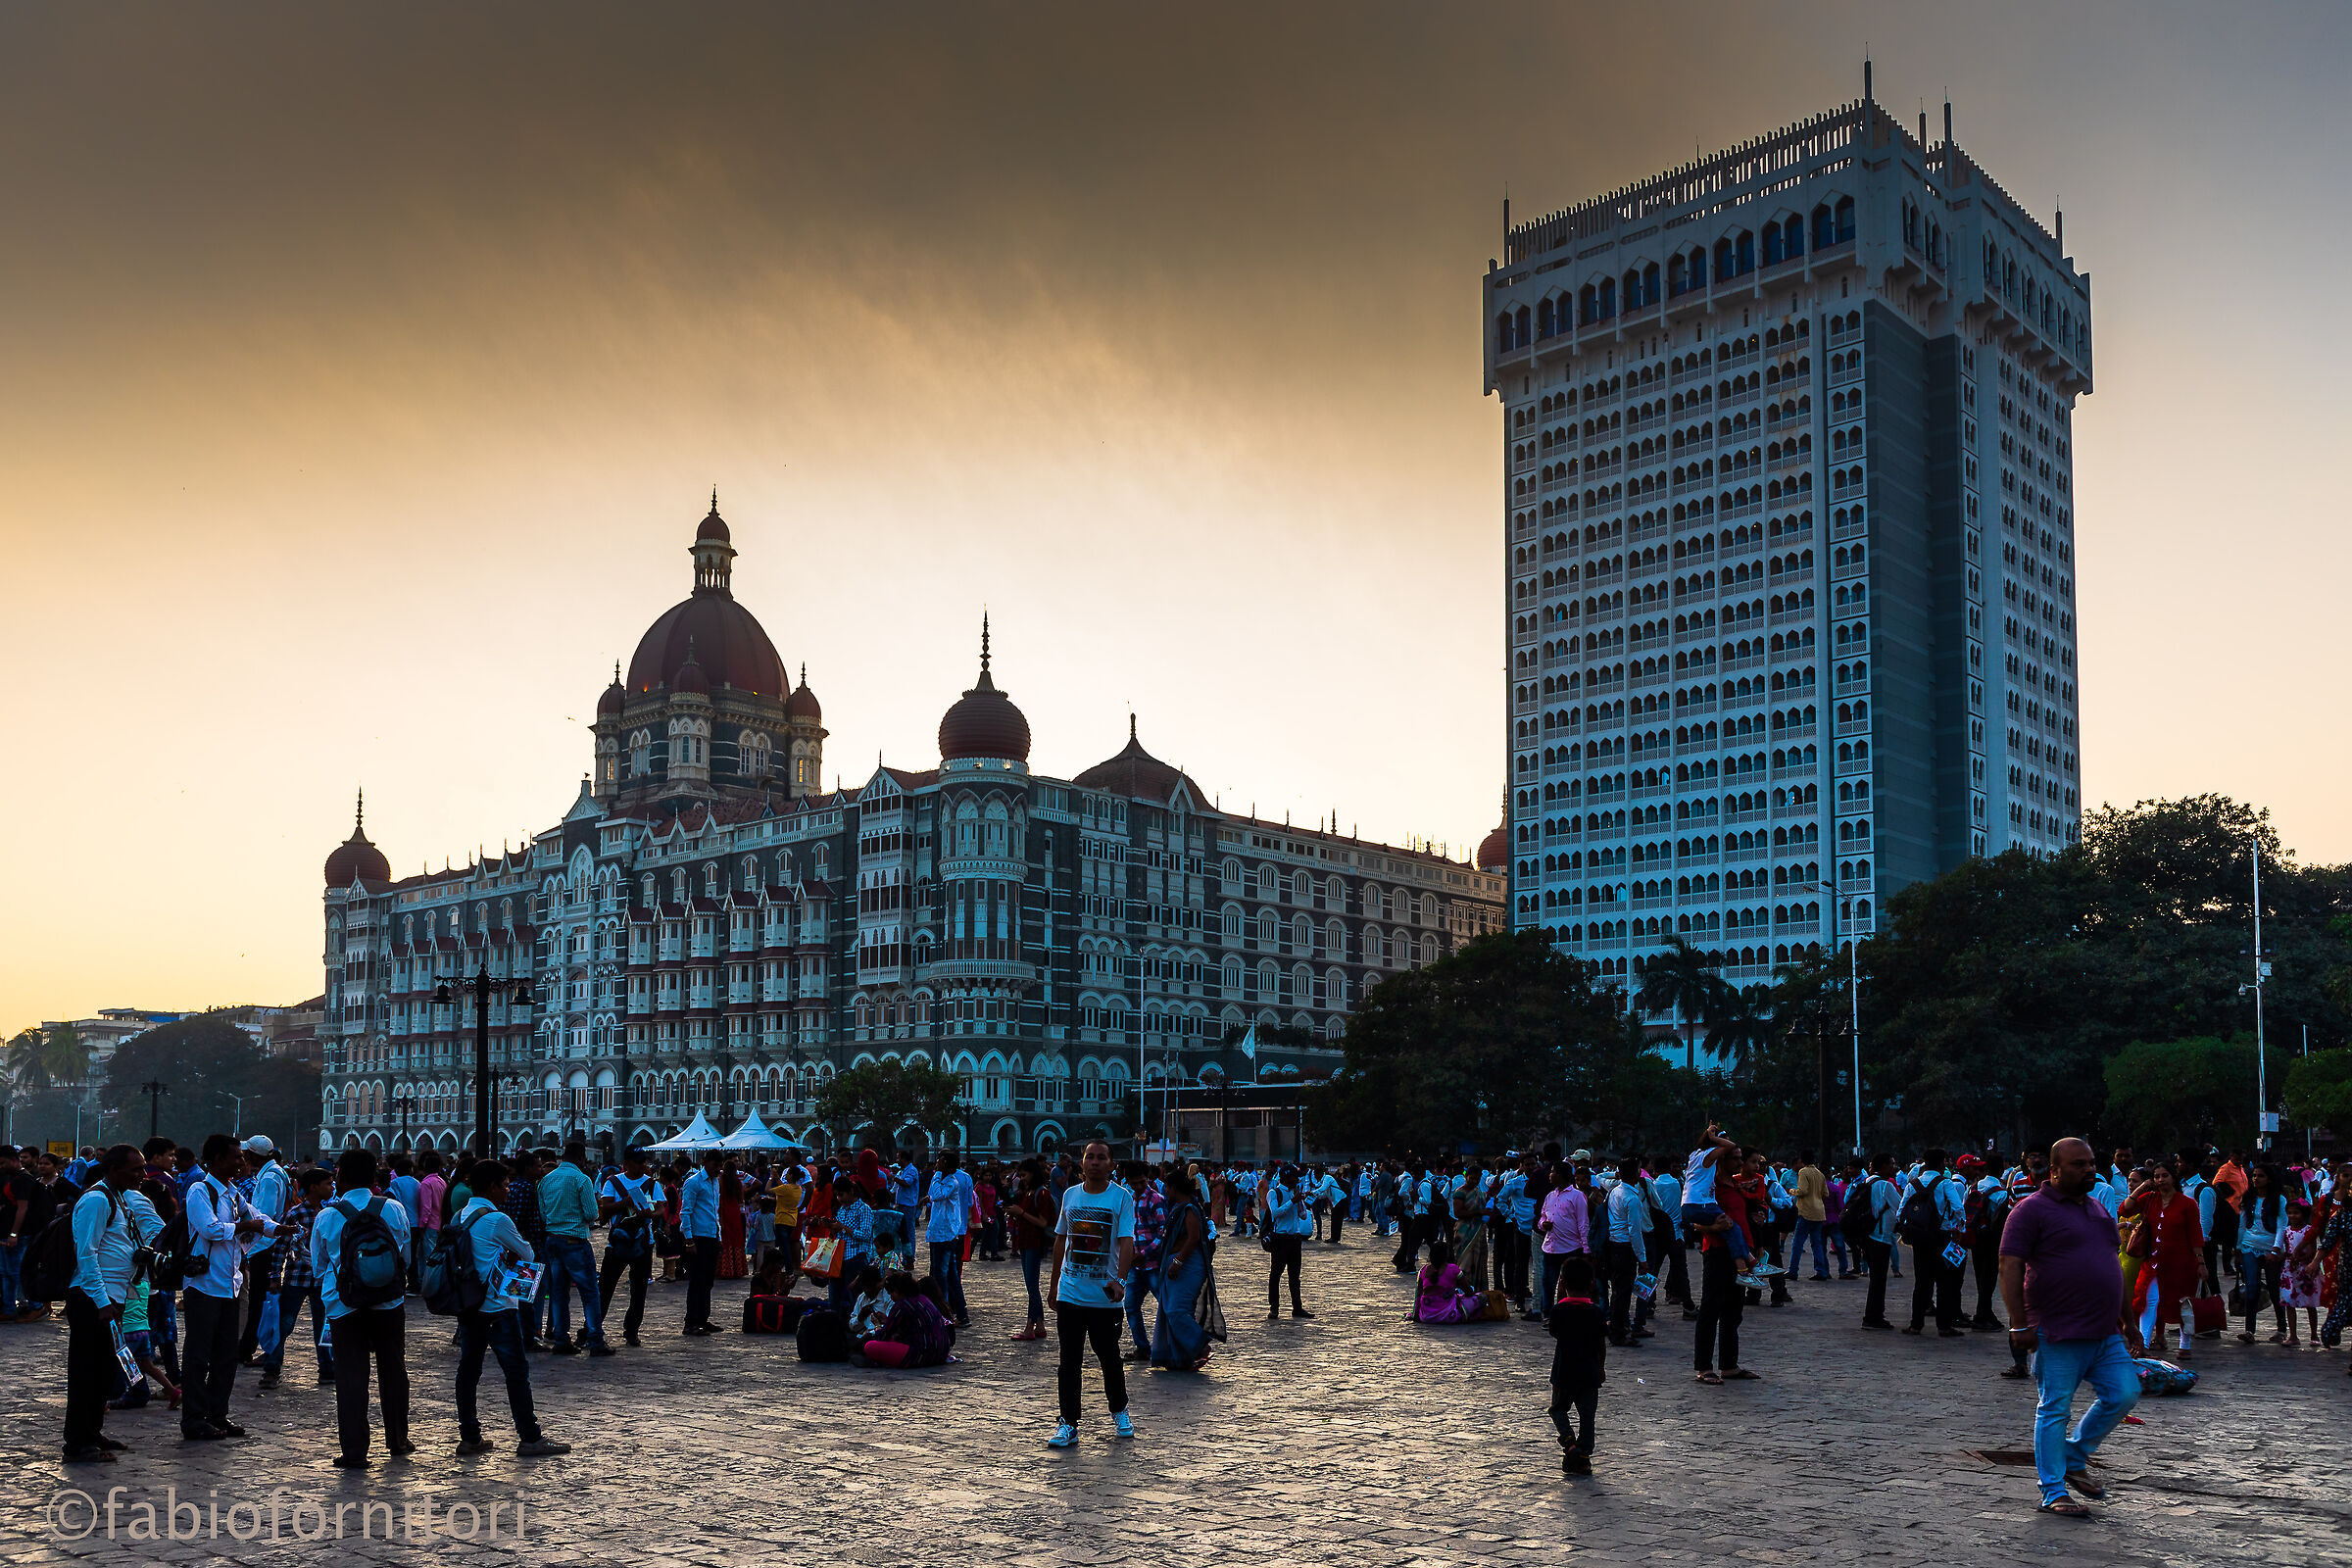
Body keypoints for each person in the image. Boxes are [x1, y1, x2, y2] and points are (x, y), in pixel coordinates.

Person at [1999, 1137, 2141, 1519]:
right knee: (2055, 1408)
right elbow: (2009, 1266)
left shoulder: (2097, 1209)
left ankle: (2075, 1456)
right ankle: (2053, 1489)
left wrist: (2129, 1320)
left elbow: (2113, 1266)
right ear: (2055, 1170)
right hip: (2057, 1329)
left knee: (2125, 1393)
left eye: (2091, 1163)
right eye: (2079, 1164)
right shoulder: (2031, 1210)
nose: (2089, 1169)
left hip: (2104, 1330)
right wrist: (2019, 1324)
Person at [448, 1161, 568, 1457]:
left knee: (468, 1370)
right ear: (491, 1187)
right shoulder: (497, 1219)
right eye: (504, 1184)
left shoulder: (460, 1215)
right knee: (516, 1372)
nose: (508, 1189)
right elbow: (527, 1251)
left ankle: (470, 1435)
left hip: (469, 1306)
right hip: (497, 1307)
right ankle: (530, 1436)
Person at [312, 1148, 414, 1468]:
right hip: (389, 1302)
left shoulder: (327, 1215)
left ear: (340, 1175)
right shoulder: (394, 1209)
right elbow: (405, 1258)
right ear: (375, 1176)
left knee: (351, 1375)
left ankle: (355, 1450)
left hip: (345, 1306)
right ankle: (397, 1439)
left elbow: (319, 1267)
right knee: (393, 1370)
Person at [182, 1132, 277, 1442]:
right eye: (237, 1156)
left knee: (226, 1355)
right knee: (198, 1356)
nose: (242, 1161)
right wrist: (245, 1227)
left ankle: (217, 1415)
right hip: (203, 1284)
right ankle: (194, 1419)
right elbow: (209, 1228)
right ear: (217, 1160)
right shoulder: (200, 1190)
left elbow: (258, 1217)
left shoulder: (234, 1194)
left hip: (229, 1283)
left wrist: (281, 1229)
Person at [1043, 1140, 1137, 1446]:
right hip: (1071, 1292)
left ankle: (1119, 1409)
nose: (1094, 1162)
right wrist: (1054, 1284)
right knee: (1068, 1361)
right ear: (1081, 1163)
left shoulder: (1120, 1198)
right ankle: (1068, 1422)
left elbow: (1126, 1243)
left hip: (1104, 1296)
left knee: (1109, 1358)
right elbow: (1061, 1241)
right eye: (1089, 1157)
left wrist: (1120, 1281)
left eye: (1101, 1157)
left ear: (1111, 1164)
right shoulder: (1070, 1195)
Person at [61, 1145, 145, 1462]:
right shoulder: (97, 1200)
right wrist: (100, 1301)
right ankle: (77, 1442)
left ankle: (92, 1431)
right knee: (85, 1371)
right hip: (92, 1299)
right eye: (135, 1169)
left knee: (103, 1371)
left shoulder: (119, 1197)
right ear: (113, 1169)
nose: (141, 1175)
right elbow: (87, 1254)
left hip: (113, 1296)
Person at [2120, 1162, 2207, 1360]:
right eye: (2157, 1176)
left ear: (2173, 1178)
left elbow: (2195, 1234)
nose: (2160, 1180)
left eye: (2164, 1175)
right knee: (2148, 1301)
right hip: (2153, 1262)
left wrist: (2201, 1262)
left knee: (2185, 1303)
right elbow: (2125, 1209)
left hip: (2181, 1263)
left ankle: (2185, 1345)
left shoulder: (2187, 1204)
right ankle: (2140, 1342)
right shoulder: (2150, 1199)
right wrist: (2142, 1187)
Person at [260, 1166, 336, 1390]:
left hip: (321, 1280)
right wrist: (275, 1276)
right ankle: (272, 1368)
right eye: (327, 1184)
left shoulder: (329, 1212)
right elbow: (280, 1248)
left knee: (324, 1327)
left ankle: (327, 1368)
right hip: (297, 1278)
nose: (331, 1188)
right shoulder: (295, 1214)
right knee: (283, 1326)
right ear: (313, 1187)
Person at [538, 1143, 612, 1356]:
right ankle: (595, 1339)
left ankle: (561, 1338)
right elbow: (591, 1214)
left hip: (553, 1239)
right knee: (589, 1292)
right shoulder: (582, 1179)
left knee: (559, 1293)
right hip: (575, 1241)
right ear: (581, 1158)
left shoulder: (546, 1180)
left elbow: (544, 1215)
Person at [1152, 1167, 1218, 1371]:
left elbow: (1193, 1238)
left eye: (1167, 1188)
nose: (1166, 1191)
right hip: (1177, 1263)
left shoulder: (1189, 1208)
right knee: (1170, 1310)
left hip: (1187, 1264)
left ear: (1173, 1188)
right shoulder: (1180, 1206)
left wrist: (1178, 1261)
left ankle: (1200, 1346)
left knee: (1176, 1311)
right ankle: (1182, 1359)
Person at [1546, 1253, 1607, 1475]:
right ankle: (1583, 1455)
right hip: (1589, 1373)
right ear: (1591, 1284)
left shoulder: (1558, 1311)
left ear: (1562, 1284)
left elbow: (1555, 1333)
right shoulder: (1596, 1312)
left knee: (1558, 1409)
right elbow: (1601, 1344)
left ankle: (1570, 1444)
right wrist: (1601, 1367)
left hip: (1563, 1372)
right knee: (1587, 1416)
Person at [234, 1136, 293, 1366]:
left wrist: (250, 1248)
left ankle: (249, 1347)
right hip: (268, 1242)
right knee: (262, 1298)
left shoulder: (269, 1178)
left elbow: (264, 1216)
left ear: (253, 1155)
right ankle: (253, 1346)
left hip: (265, 1244)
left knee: (260, 1299)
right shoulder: (275, 1172)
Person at [598, 1145, 662, 1347]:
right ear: (626, 1164)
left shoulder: (651, 1184)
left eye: (644, 1161)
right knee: (605, 1288)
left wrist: (650, 1214)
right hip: (617, 1241)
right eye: (638, 1162)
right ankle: (594, 1327)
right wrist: (626, 1202)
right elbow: (604, 1207)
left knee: (639, 1289)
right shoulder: (613, 1182)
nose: (643, 1165)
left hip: (643, 1241)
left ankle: (632, 1329)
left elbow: (661, 1209)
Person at [1900, 1150, 1968, 1338]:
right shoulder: (1945, 1183)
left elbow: (1901, 1212)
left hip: (1920, 1239)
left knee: (1922, 1283)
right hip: (1942, 1237)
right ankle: (1944, 1326)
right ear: (1942, 1164)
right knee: (1945, 1283)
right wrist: (1958, 1229)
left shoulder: (1912, 1184)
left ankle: (1916, 1325)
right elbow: (1958, 1208)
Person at [921, 1149, 977, 1328]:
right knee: (951, 1275)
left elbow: (937, 1194)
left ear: (944, 1162)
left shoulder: (951, 1181)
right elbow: (935, 1194)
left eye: (939, 1161)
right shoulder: (945, 1180)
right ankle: (962, 1314)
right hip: (942, 1232)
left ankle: (942, 1316)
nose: (936, 1163)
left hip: (945, 1234)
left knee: (941, 1276)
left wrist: (937, 1173)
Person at [2234, 1163, 2288, 1345]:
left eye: (2261, 1176)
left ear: (2270, 1179)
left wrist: (2276, 1248)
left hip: (2270, 1246)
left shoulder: (2279, 1199)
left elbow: (2282, 1226)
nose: (2256, 1179)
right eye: (2254, 1176)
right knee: (2252, 1288)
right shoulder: (2248, 1198)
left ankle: (2282, 1328)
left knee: (2274, 1288)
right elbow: (2242, 1224)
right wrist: (2239, 1248)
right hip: (2249, 1245)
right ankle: (2249, 1330)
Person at [1602, 1156, 1651, 1348]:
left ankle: (1620, 1327)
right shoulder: (1632, 1198)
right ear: (1637, 1173)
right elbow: (1635, 1232)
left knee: (1618, 1291)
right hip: (1625, 1248)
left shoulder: (1615, 1192)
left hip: (1614, 1245)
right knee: (1622, 1293)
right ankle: (1618, 1331)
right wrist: (1643, 1258)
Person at [861, 1270, 956, 1368]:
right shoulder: (922, 1299)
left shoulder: (902, 1305)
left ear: (897, 1291)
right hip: (940, 1353)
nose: (891, 1297)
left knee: (870, 1346)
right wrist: (887, 1320)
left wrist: (877, 1326)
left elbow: (883, 1336)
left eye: (891, 1294)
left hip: (922, 1354)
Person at [1006, 1161, 1056, 1342]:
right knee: (1031, 1286)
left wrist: (1021, 1213)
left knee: (1032, 1287)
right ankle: (1040, 1325)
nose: (1022, 1179)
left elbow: (1043, 1222)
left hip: (1035, 1243)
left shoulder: (1041, 1194)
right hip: (1024, 1242)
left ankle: (1030, 1326)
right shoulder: (1029, 1193)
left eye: (1025, 1175)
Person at [679, 1150, 725, 1336]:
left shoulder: (715, 1182)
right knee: (697, 1281)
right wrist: (689, 1240)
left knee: (707, 1281)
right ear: (705, 1162)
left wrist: (719, 1237)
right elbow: (686, 1212)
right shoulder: (693, 1182)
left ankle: (703, 1319)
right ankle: (691, 1322)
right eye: (715, 1166)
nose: (718, 1170)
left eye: (720, 1167)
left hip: (711, 1235)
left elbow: (714, 1212)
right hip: (698, 1237)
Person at [1263, 1163, 1315, 1319]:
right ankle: (1274, 1308)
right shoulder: (1274, 1193)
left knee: (1295, 1276)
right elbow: (1276, 1213)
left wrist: (1299, 1202)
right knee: (1276, 1274)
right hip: (1280, 1238)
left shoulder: (1295, 1193)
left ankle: (1297, 1307)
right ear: (1286, 1177)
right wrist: (1292, 1201)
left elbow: (1303, 1216)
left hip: (1295, 1238)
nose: (1296, 1180)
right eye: (1294, 1177)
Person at [1535, 1162, 1588, 1314]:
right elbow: (1542, 1218)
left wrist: (1586, 1249)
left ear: (1561, 1175)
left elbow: (1583, 1223)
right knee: (1548, 1283)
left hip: (1570, 1248)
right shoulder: (1550, 1196)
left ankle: (1566, 1313)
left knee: (1568, 1284)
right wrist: (1544, 1224)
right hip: (1550, 1247)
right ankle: (1548, 1313)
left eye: (1552, 1171)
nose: (1549, 1175)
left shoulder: (1577, 1196)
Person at [1789, 1152, 1831, 1281]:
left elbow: (1803, 1190)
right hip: (1819, 1212)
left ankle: (1793, 1270)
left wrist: (1791, 1191)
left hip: (1806, 1211)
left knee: (1798, 1243)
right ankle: (1821, 1271)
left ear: (1802, 1161)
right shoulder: (1820, 1174)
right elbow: (1825, 1193)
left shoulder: (1803, 1172)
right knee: (1816, 1243)